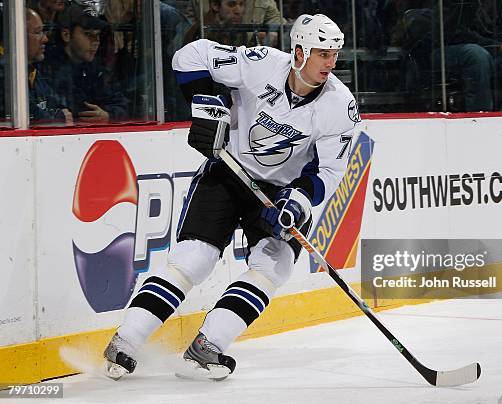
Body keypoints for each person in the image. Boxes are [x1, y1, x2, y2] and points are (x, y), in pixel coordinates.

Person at [103, 13, 358, 381]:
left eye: (335, 54)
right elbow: (188, 57)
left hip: (278, 193)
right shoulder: (260, 65)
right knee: (195, 259)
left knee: (273, 267)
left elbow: (330, 171)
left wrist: (297, 202)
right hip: (227, 172)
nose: (331, 63)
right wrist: (209, 105)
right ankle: (125, 340)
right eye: (323, 53)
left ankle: (208, 345)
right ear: (299, 52)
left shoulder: (340, 105)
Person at [436, 0, 502, 111]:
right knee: (477, 55)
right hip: (447, 49)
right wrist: (497, 47)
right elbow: (457, 33)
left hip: (489, 46)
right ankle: (481, 115)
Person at [42, 2, 128, 123]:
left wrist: (108, 115)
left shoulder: (96, 69)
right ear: (66, 35)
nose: (96, 42)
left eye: (98, 35)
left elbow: (121, 104)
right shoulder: (47, 68)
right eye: (88, 34)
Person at [24, 8, 73, 124]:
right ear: (18, 37)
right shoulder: (6, 76)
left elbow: (60, 105)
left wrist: (56, 115)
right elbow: (31, 116)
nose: (45, 39)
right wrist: (57, 117)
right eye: (37, 32)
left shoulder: (34, 72)